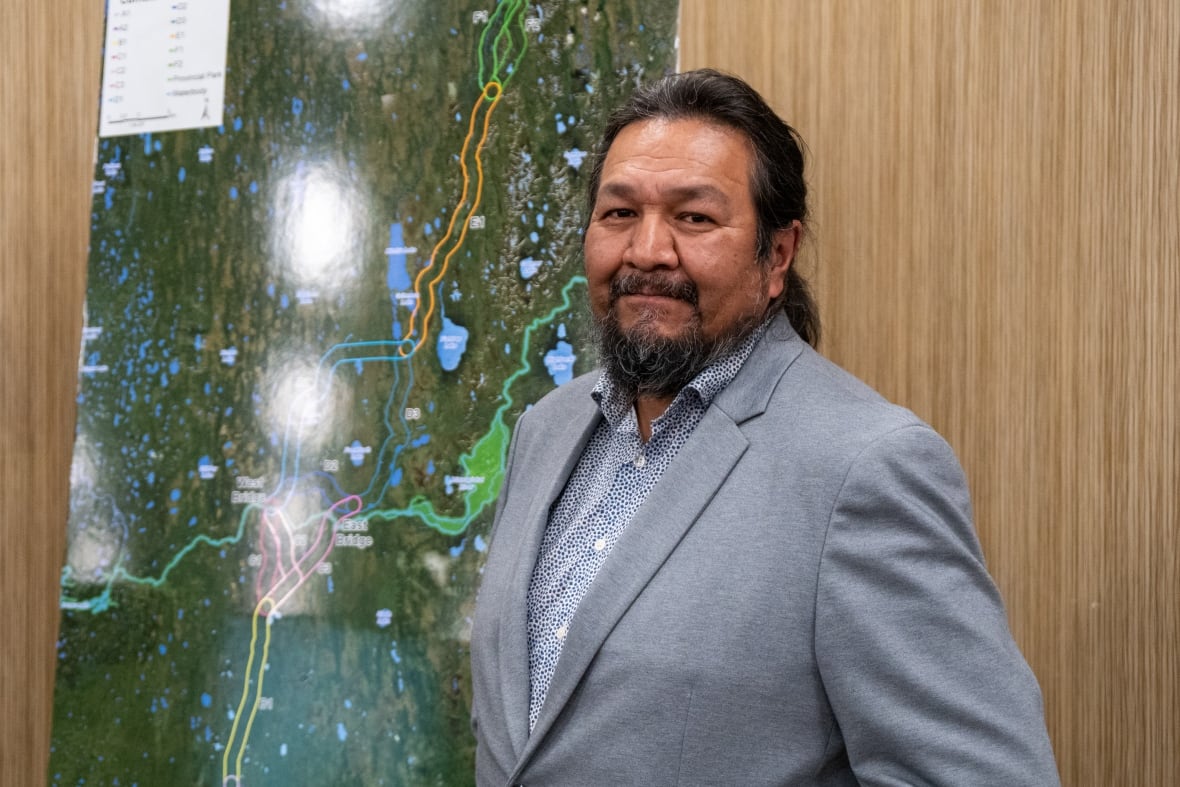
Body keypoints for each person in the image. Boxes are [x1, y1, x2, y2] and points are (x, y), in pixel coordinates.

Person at [470, 69, 1059, 786]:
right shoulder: (543, 430)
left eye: (694, 218)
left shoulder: (864, 468)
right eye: (619, 213)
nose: (647, 251)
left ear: (777, 256)